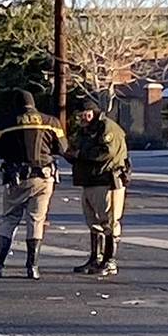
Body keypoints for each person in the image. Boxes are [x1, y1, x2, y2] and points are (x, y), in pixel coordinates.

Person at [0, 89, 67, 279]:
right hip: (44, 177)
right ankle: (33, 267)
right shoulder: (51, 122)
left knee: (9, 219)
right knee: (36, 220)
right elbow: (63, 148)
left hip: (17, 177)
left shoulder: (5, 122)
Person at [65, 99, 130, 277]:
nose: (81, 119)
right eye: (79, 116)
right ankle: (96, 258)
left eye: (84, 115)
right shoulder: (86, 130)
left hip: (107, 181)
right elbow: (76, 148)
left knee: (109, 222)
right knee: (93, 222)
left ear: (92, 112)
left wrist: (80, 154)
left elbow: (106, 152)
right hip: (89, 180)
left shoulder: (107, 127)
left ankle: (110, 261)